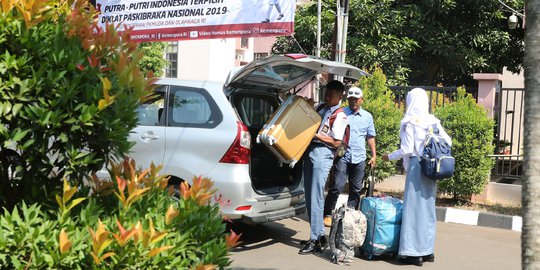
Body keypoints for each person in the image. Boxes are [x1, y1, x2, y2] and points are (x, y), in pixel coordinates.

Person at [381, 88, 452, 266]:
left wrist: (388, 156)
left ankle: (413, 253)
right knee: (427, 209)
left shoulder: (410, 122)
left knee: (413, 209)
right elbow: (448, 141)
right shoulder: (434, 121)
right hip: (431, 167)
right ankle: (428, 251)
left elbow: (406, 149)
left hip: (416, 166)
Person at [299, 80, 348, 255]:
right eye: (326, 93)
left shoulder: (340, 116)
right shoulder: (321, 107)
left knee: (316, 196)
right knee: (310, 195)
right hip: (310, 151)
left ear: (340, 96)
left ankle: (315, 240)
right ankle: (319, 236)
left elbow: (336, 141)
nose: (327, 97)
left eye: (331, 95)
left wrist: (316, 135)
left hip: (323, 153)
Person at [323, 87, 376, 227]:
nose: (354, 101)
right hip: (342, 155)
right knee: (336, 186)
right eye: (351, 99)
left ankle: (350, 215)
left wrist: (374, 155)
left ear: (361, 100)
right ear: (347, 100)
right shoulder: (341, 113)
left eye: (356, 99)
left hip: (359, 158)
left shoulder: (367, 117)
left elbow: (370, 137)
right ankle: (327, 213)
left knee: (356, 189)